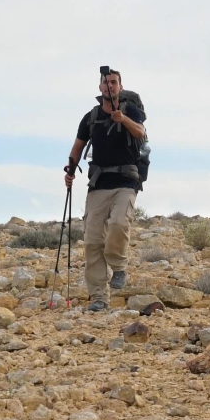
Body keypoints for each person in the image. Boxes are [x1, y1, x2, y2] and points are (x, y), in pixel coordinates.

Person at [64, 68, 146, 312]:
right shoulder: (91, 117)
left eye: (113, 82)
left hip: (126, 182)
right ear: (100, 88)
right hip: (98, 184)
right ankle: (99, 297)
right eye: (106, 82)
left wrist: (124, 120)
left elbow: (141, 133)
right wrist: (70, 170)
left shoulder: (131, 110)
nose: (109, 86)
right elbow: (77, 147)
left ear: (120, 86)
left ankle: (118, 266)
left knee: (120, 223)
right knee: (91, 241)